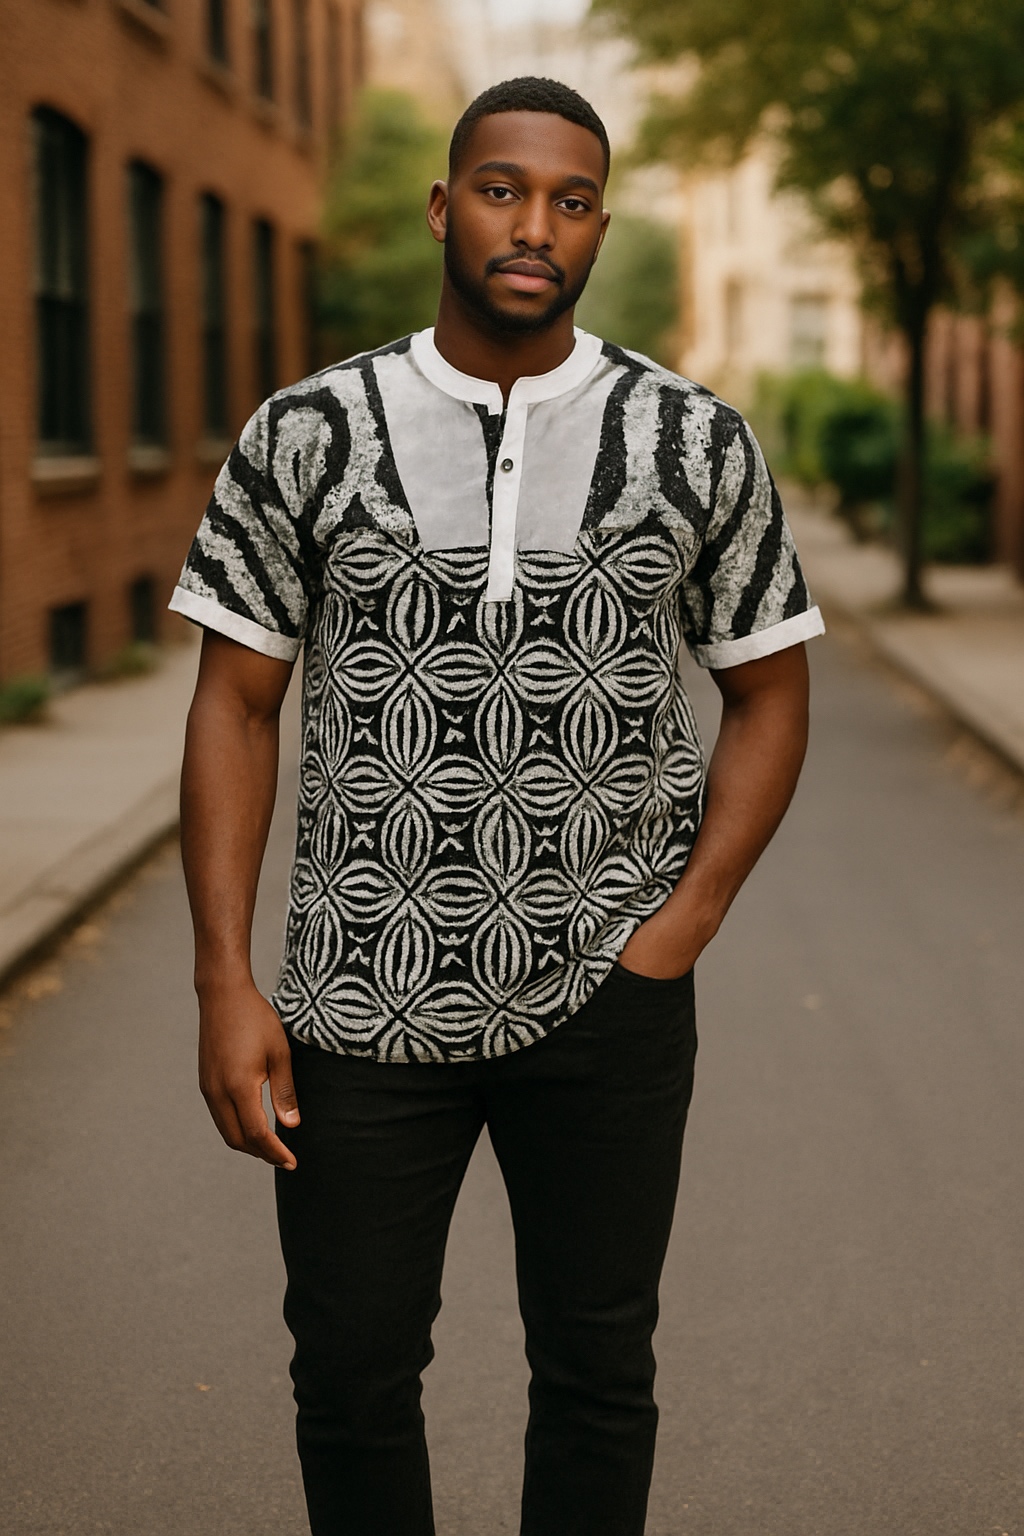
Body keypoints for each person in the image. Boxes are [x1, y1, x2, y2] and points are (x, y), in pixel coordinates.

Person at [174, 75, 824, 1536]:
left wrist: (682, 923)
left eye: (572, 200)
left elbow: (770, 691)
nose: (536, 225)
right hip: (356, 993)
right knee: (348, 1370)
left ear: (599, 225)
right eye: (503, 188)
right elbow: (235, 700)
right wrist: (227, 977)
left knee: (597, 1370)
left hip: (610, 988)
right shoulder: (307, 434)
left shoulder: (692, 441)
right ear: (444, 203)